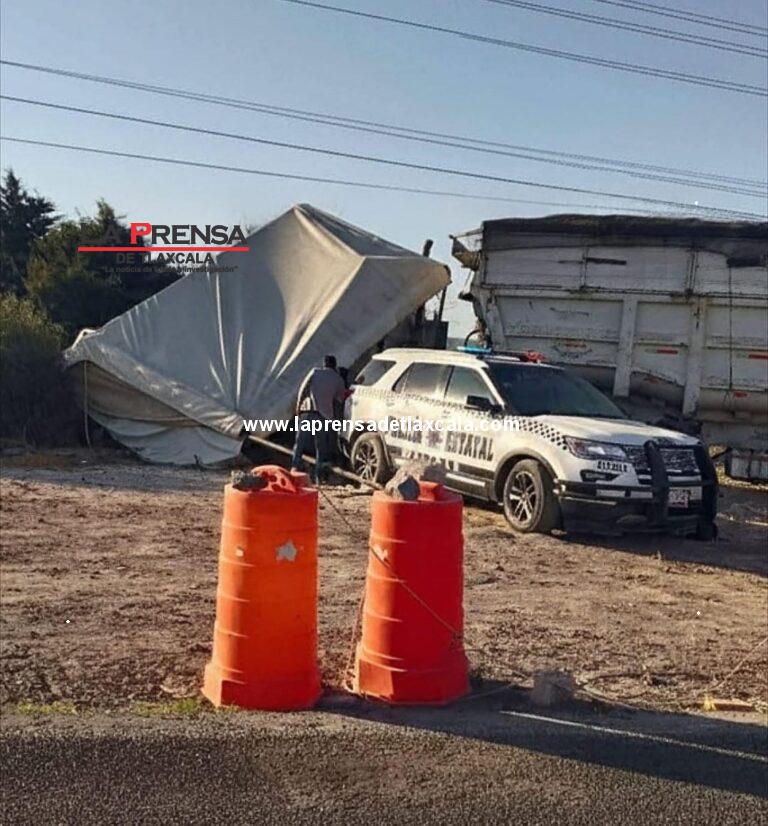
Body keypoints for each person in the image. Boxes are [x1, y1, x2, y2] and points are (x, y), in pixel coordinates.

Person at [291, 355, 347, 482]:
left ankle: (294, 468)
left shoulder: (315, 372)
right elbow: (339, 400)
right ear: (335, 366)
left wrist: (298, 406)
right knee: (321, 446)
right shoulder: (338, 379)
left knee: (300, 442)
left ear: (324, 364)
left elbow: (303, 389)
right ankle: (318, 476)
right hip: (324, 416)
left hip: (308, 412)